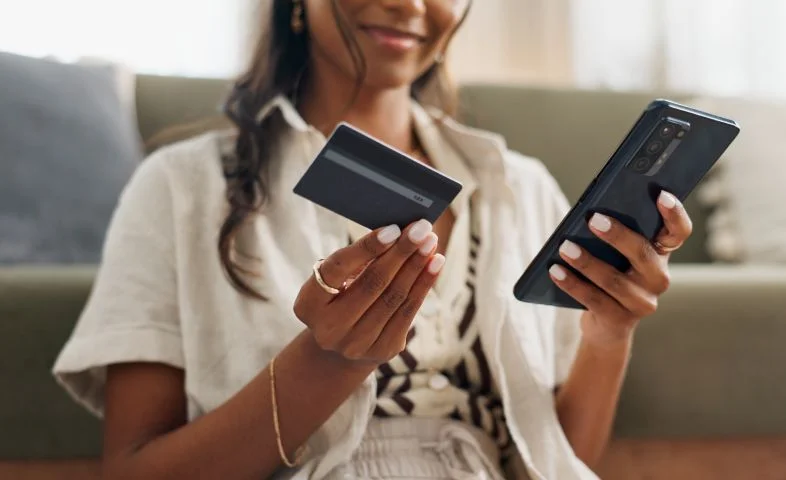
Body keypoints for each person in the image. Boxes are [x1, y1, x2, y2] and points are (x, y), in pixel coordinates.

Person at [52, 0, 693, 478]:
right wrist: (327, 361)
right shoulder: (180, 186)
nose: (412, 4)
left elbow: (561, 460)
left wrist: (609, 334)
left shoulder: (519, 188)